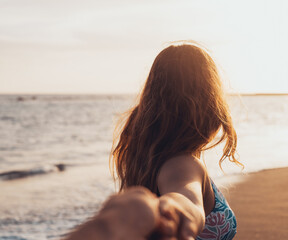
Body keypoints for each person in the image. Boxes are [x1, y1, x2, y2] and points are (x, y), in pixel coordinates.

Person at [65, 42, 240, 240]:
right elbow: (185, 198)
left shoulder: (148, 158)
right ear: (209, 102)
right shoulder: (183, 164)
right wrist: (172, 212)